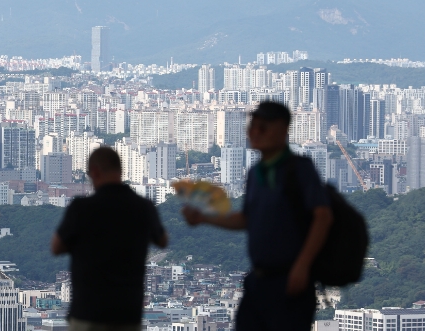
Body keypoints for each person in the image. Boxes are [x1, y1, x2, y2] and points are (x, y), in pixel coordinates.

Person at [182, 101, 333, 331]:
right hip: (259, 279)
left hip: (291, 280)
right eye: (252, 127)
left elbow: (323, 217)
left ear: (282, 131)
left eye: (262, 128)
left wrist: (302, 266)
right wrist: (204, 218)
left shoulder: (299, 169)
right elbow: (246, 219)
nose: (254, 133)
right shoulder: (256, 173)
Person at [51, 147, 168, 331]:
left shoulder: (81, 208)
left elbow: (56, 247)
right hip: (127, 314)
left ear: (95, 172)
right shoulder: (143, 207)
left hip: (87, 312)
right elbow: (162, 240)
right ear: (120, 170)